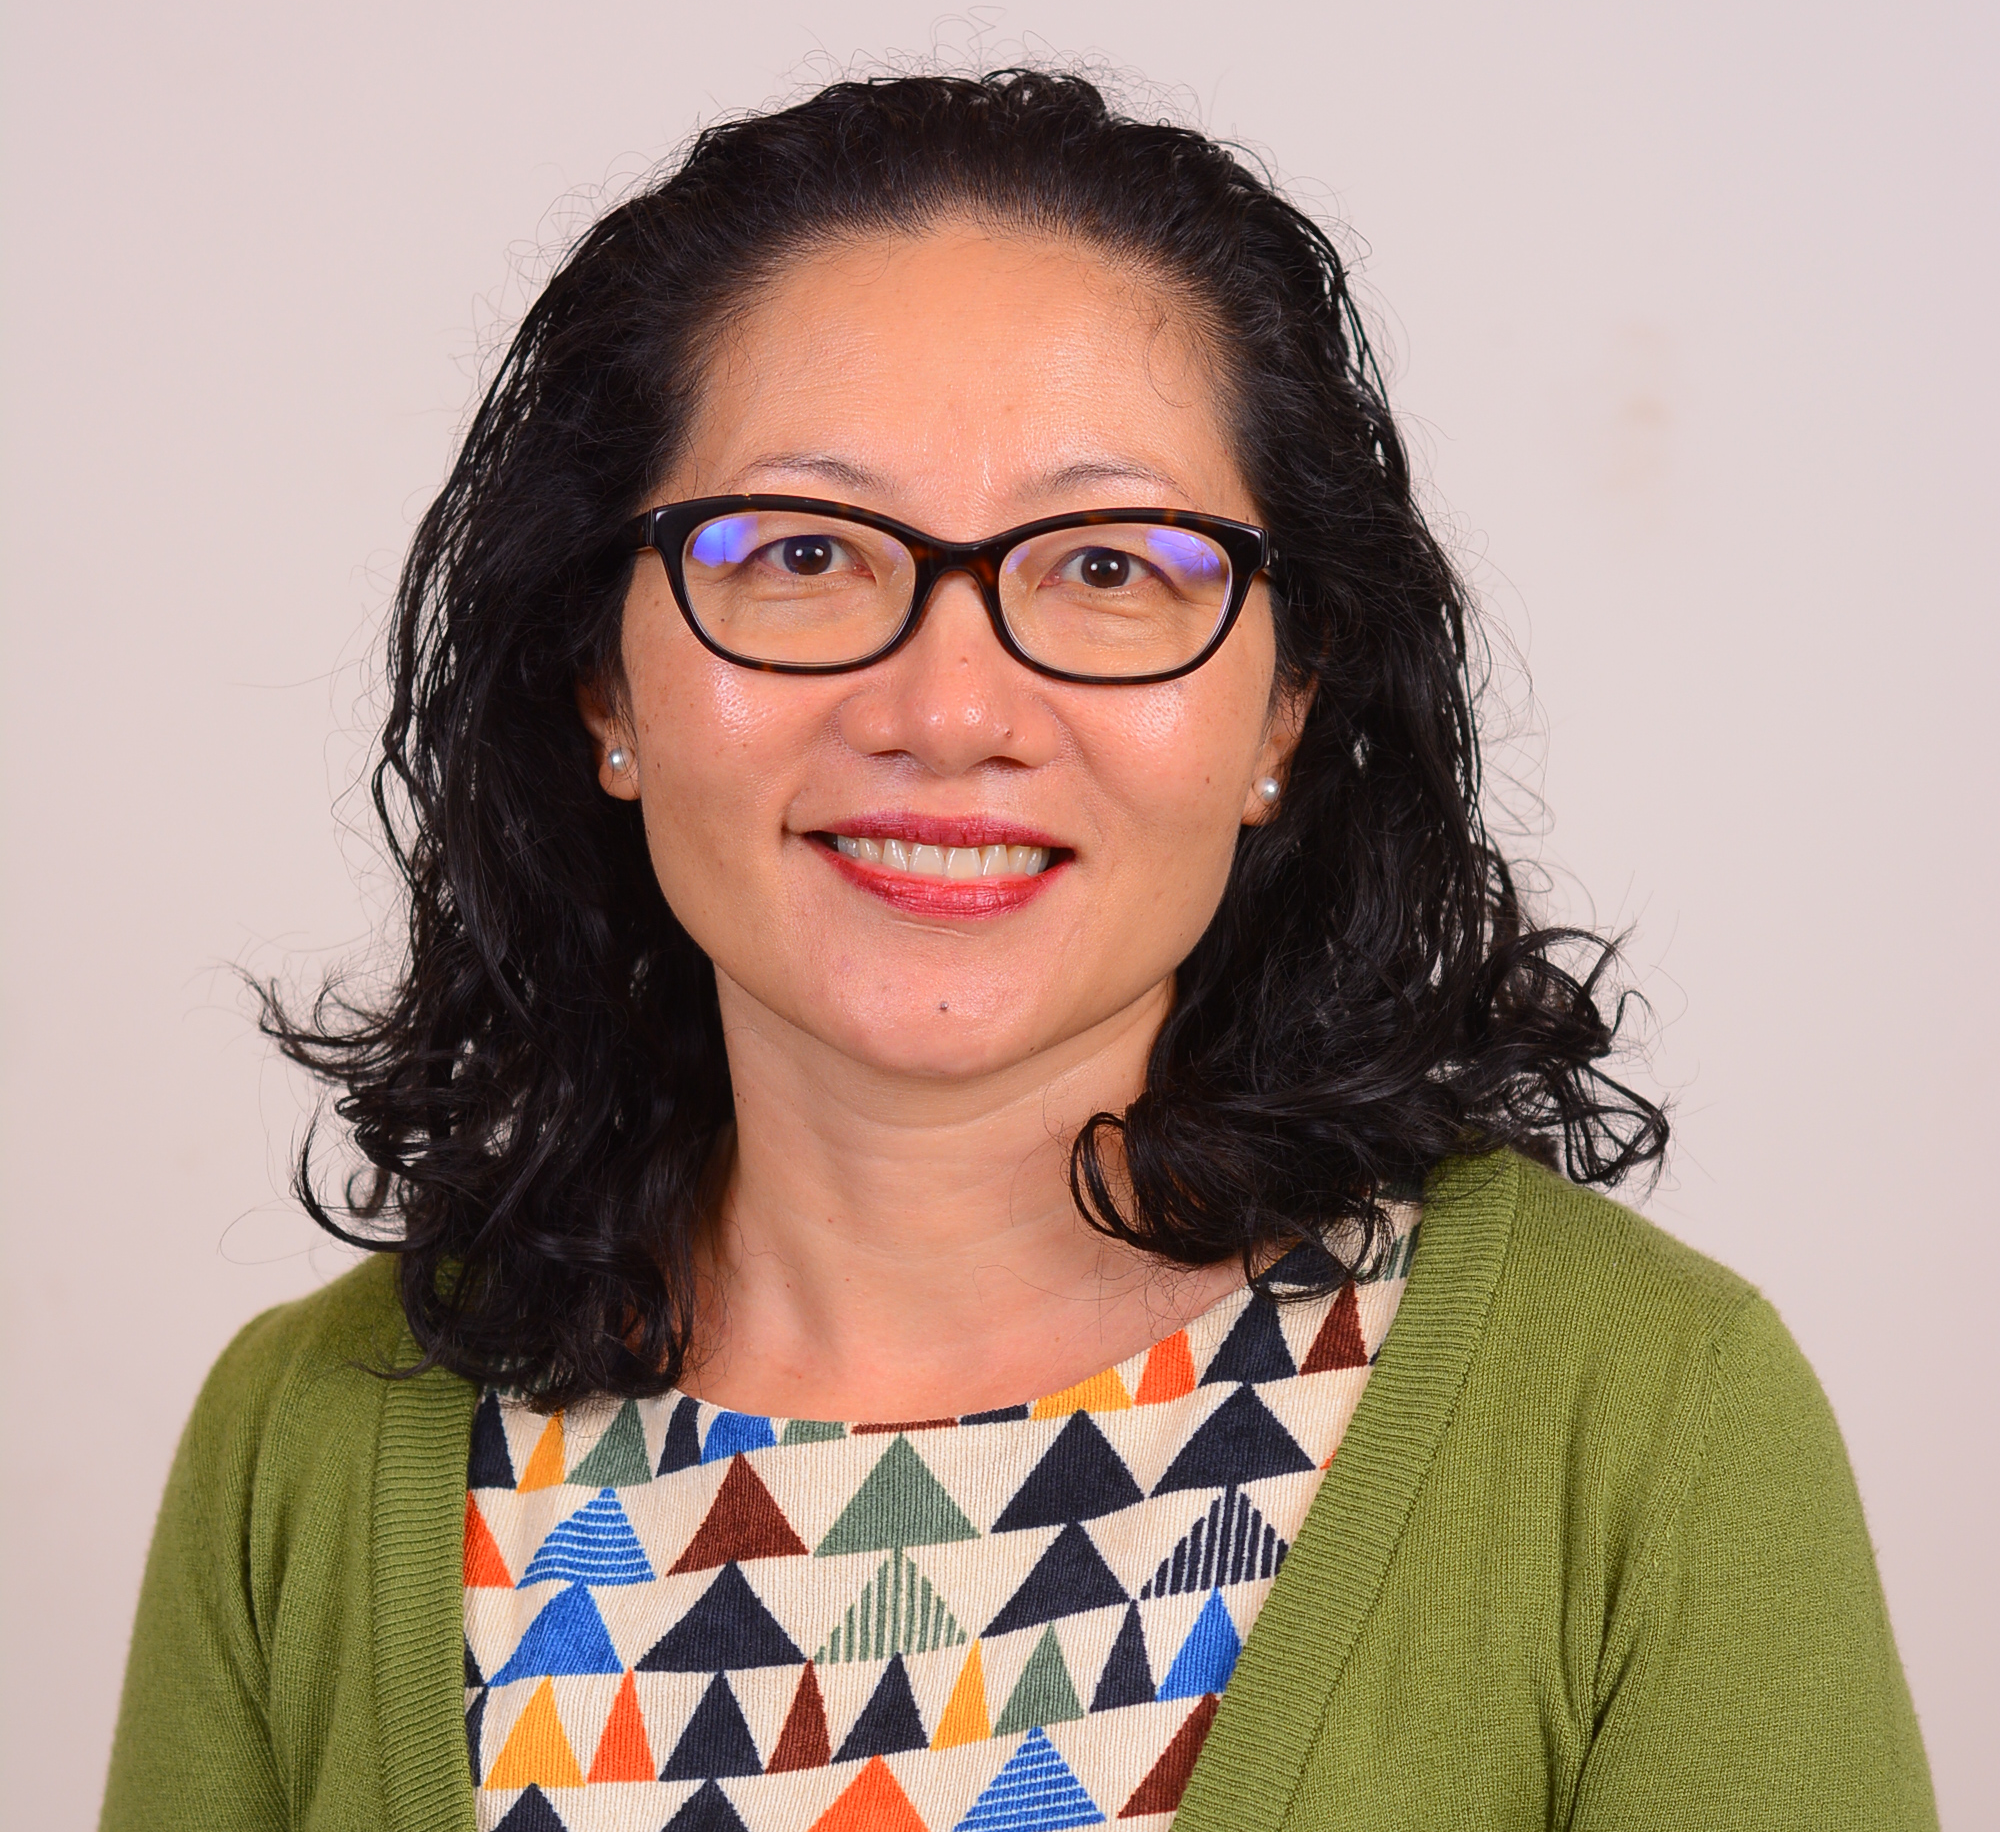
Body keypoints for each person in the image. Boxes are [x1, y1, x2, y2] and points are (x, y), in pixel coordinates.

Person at [100, 70, 1935, 1832]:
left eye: (1111, 566)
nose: (950, 710)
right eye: (801, 554)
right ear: (605, 681)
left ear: (1286, 706)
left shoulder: (1646, 1419)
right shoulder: (303, 1445)